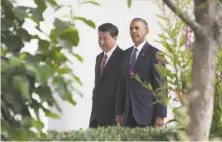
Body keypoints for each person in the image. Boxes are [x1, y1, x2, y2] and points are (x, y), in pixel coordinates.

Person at [115, 18, 167, 128]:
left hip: (147, 115)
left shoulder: (156, 54)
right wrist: (118, 112)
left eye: (137, 28)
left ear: (146, 31)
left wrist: (160, 115)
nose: (133, 31)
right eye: (131, 28)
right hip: (128, 115)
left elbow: (161, 87)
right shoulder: (125, 54)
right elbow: (121, 84)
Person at [89, 23, 123, 128]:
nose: (101, 42)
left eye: (105, 38)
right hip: (96, 115)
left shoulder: (123, 57)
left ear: (115, 38)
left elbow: (124, 89)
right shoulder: (99, 58)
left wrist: (120, 114)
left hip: (114, 116)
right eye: (99, 38)